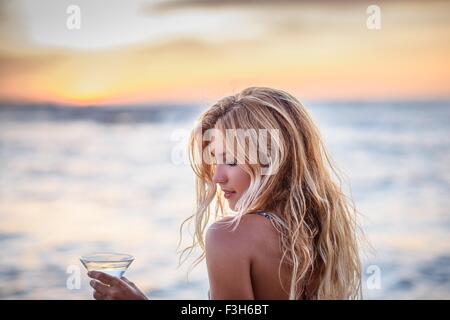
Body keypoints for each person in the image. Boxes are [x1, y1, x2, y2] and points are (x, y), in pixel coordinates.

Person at [88, 87, 362, 300]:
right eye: (214, 159)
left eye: (232, 161)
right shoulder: (320, 231)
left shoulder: (229, 236)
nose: (217, 177)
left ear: (273, 159)